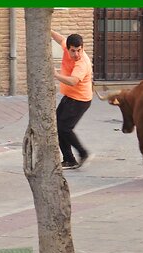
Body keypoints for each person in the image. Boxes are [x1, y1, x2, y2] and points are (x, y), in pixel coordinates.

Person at [51, 30, 92, 169]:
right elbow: (60, 38)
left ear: (82, 48)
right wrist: (48, 30)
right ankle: (69, 160)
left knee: (65, 128)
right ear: (67, 48)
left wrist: (56, 75)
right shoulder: (65, 45)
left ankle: (82, 153)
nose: (76, 54)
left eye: (79, 50)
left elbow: (73, 81)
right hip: (69, 97)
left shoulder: (82, 63)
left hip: (80, 100)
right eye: (73, 51)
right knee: (57, 126)